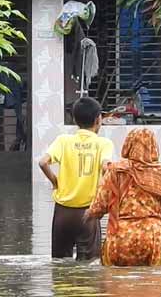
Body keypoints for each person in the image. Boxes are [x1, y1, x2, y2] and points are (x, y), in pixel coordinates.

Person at [84, 128, 161, 266]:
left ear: (128, 145)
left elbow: (98, 206)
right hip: (152, 237)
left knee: (114, 284)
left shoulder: (115, 171)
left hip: (119, 235)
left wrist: (88, 215)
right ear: (153, 147)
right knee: (153, 284)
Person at [38, 97, 114, 260]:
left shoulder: (63, 140)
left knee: (60, 263)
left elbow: (43, 162)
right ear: (98, 119)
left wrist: (55, 182)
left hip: (62, 213)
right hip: (88, 212)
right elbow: (107, 167)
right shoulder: (103, 143)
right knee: (89, 267)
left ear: (74, 119)